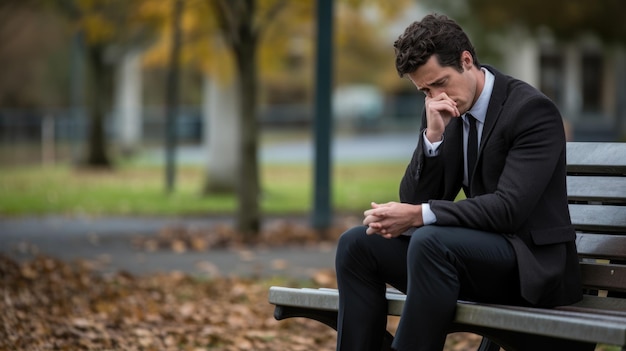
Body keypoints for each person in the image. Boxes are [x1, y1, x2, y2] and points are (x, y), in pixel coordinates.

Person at [334, 13, 583, 351]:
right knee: (356, 244)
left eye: (441, 82)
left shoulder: (530, 111)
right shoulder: (440, 110)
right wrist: (433, 137)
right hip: (466, 258)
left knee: (431, 241)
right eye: (424, 90)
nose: (437, 96)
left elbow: (508, 210)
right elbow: (414, 197)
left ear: (467, 60)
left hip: (531, 266)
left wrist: (419, 215)